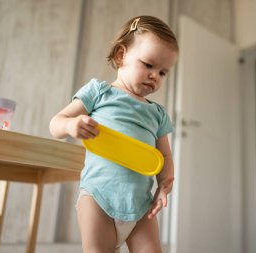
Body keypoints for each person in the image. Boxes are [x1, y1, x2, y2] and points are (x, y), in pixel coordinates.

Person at [49, 15, 178, 253]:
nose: (155, 76)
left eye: (163, 72)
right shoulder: (99, 92)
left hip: (141, 204)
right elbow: (56, 123)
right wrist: (71, 125)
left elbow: (166, 156)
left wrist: (163, 185)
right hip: (98, 197)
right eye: (149, 65)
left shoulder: (158, 113)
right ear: (121, 56)